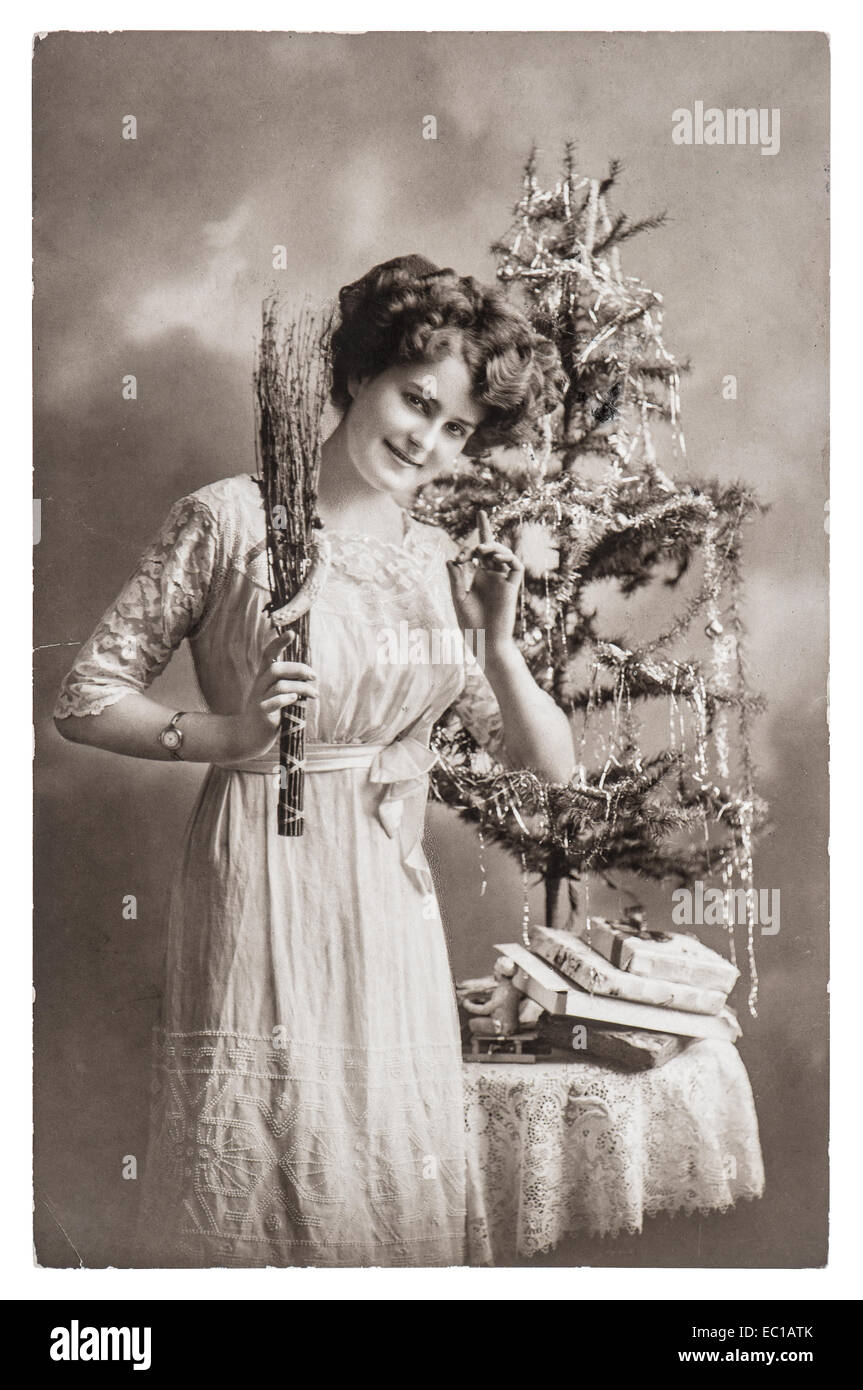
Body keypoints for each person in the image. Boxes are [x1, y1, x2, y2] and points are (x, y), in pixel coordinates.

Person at [53, 253, 574, 1268]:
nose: (425, 440)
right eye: (415, 402)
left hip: (387, 894)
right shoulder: (230, 520)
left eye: (455, 427)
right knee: (271, 1151)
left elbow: (544, 766)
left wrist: (499, 642)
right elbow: (84, 698)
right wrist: (229, 736)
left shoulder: (436, 561)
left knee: (384, 1157)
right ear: (357, 376)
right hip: (262, 868)